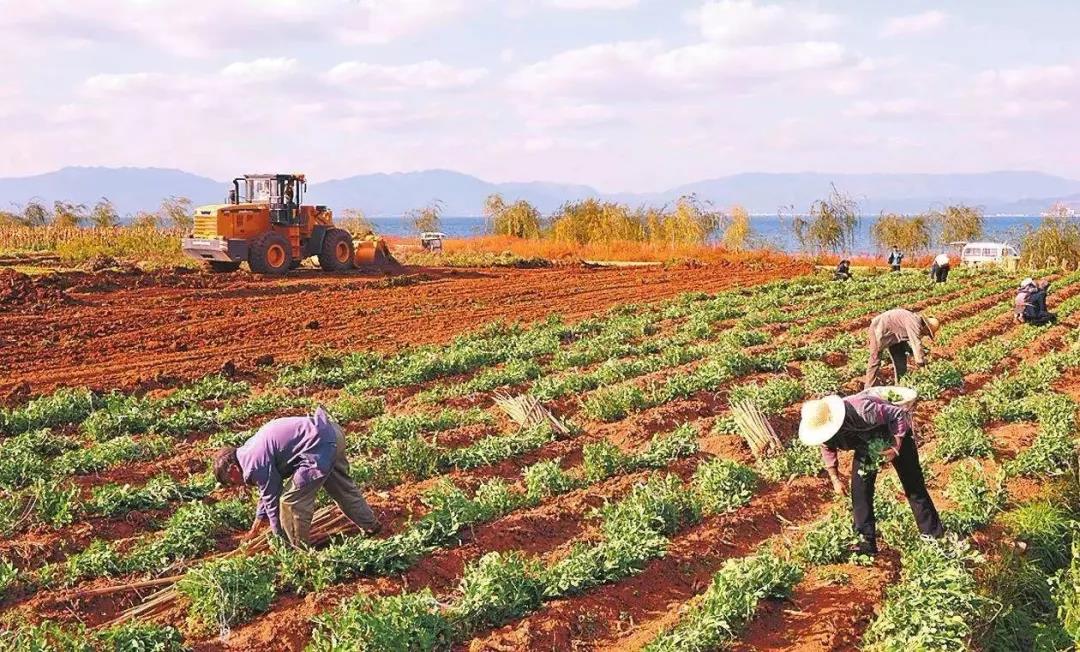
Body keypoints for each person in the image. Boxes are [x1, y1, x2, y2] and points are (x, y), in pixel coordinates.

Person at [213, 406, 380, 547]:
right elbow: (266, 493)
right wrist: (258, 521)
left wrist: (280, 541)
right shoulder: (248, 450)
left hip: (319, 447)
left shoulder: (253, 465)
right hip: (331, 433)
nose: (235, 485)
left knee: (290, 501)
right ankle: (371, 526)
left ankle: (298, 550)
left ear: (233, 470)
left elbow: (272, 501)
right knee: (342, 489)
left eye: (231, 482)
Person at [799, 392, 943, 554]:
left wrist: (896, 446)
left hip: (893, 434)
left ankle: (933, 535)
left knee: (913, 486)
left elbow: (898, 414)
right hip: (869, 446)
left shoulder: (862, 409)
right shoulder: (825, 433)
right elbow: (827, 448)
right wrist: (834, 478)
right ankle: (865, 542)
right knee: (860, 491)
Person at [864, 308, 940, 389]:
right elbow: (916, 343)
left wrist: (912, 352)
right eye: (927, 332)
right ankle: (868, 388)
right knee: (875, 360)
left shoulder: (914, 320)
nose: (925, 335)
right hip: (878, 329)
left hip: (895, 336)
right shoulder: (915, 323)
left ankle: (900, 384)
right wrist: (921, 363)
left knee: (900, 357)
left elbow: (910, 341)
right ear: (926, 327)